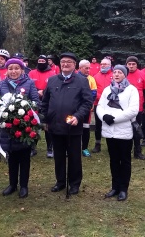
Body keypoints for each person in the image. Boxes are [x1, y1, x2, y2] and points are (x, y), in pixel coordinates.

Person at [41, 52, 93, 195]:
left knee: (74, 156)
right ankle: (61, 181)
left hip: (73, 126)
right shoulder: (52, 81)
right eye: (63, 61)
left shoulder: (82, 81)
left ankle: (74, 183)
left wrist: (78, 116)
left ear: (74, 65)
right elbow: (45, 102)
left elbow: (87, 102)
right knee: (58, 155)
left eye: (69, 62)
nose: (65, 64)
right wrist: (44, 119)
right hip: (55, 125)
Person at [0, 58, 40, 198]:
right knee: (11, 157)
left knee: (24, 158)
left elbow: (36, 103)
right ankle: (12, 184)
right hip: (7, 128)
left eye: (16, 68)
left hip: (24, 128)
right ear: (7, 71)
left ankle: (23, 186)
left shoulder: (29, 83)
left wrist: (27, 114)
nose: (13, 71)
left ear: (22, 70)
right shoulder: (2, 84)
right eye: (11, 69)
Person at [96, 65, 139, 201]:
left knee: (124, 161)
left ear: (125, 75)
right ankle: (115, 187)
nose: (116, 74)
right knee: (113, 160)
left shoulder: (131, 90)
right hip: (110, 131)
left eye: (120, 72)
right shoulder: (107, 90)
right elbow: (100, 107)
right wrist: (104, 117)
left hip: (124, 130)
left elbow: (133, 110)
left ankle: (123, 188)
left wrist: (114, 119)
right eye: (115, 72)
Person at [29, 55, 57, 158]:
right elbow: (28, 85)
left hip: (48, 103)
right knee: (34, 125)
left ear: (46, 62)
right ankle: (32, 147)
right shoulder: (32, 73)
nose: (41, 62)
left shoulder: (52, 73)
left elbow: (53, 87)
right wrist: (37, 92)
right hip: (34, 102)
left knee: (47, 126)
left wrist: (43, 92)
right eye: (39, 60)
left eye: (43, 61)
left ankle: (50, 148)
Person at [125, 56, 145, 160]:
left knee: (136, 129)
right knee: (126, 130)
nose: (131, 66)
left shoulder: (142, 74)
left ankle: (138, 151)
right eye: (129, 64)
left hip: (138, 108)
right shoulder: (123, 74)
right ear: (126, 65)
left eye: (133, 64)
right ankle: (126, 151)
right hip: (125, 108)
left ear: (137, 65)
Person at [92, 58, 113, 153]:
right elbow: (93, 90)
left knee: (111, 124)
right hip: (99, 104)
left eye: (105, 64)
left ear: (110, 65)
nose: (103, 65)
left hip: (111, 104)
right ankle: (97, 143)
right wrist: (103, 97)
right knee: (98, 125)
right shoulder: (95, 76)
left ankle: (111, 144)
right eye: (101, 64)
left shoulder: (114, 75)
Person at [77, 60, 97, 157]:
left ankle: (84, 148)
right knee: (73, 127)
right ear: (80, 68)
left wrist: (90, 103)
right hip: (74, 108)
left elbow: (93, 93)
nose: (88, 70)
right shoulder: (74, 78)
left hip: (85, 108)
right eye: (86, 68)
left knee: (85, 128)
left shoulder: (91, 79)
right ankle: (73, 148)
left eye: (89, 68)